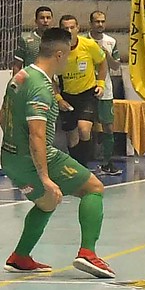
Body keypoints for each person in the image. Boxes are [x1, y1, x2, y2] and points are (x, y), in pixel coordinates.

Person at [0, 24, 114, 277]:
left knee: (47, 202)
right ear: (59, 55)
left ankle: (20, 257)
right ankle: (88, 253)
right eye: (69, 54)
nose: (70, 60)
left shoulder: (21, 77)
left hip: (9, 157)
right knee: (94, 188)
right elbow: (37, 134)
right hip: (34, 157)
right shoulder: (41, 87)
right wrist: (44, 177)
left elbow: (1, 118)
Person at [55, 14, 109, 172]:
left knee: (84, 129)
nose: (69, 31)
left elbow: (102, 62)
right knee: (72, 137)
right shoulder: (58, 50)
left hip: (87, 93)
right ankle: (75, 168)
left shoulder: (88, 45)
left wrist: (100, 83)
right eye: (66, 28)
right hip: (67, 95)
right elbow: (51, 77)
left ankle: (84, 168)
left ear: (78, 28)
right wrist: (58, 98)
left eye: (72, 27)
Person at [90, 10, 126, 99]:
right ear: (90, 23)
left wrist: (106, 55)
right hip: (86, 88)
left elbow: (116, 66)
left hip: (105, 90)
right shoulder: (83, 40)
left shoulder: (111, 41)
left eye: (103, 21)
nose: (100, 24)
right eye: (97, 22)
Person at [14, 6, 55, 73]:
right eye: (42, 18)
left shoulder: (58, 40)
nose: (45, 21)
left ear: (52, 20)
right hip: (32, 81)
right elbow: (17, 66)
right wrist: (15, 83)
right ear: (36, 21)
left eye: (48, 18)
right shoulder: (26, 40)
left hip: (51, 82)